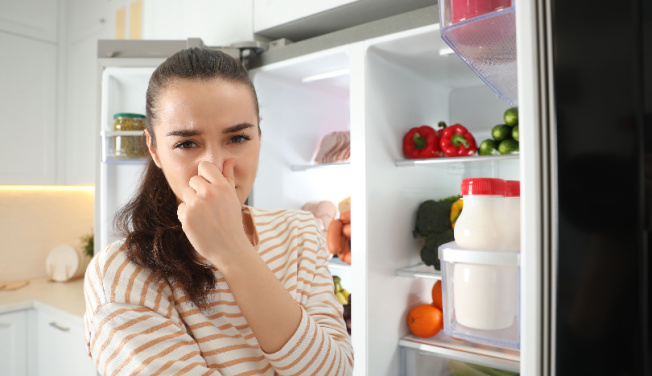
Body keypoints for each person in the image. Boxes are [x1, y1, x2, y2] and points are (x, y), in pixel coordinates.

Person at [83, 47, 354, 376]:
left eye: (238, 137)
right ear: (154, 149)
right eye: (186, 144)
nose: (215, 168)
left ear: (259, 136)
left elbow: (333, 371)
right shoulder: (121, 274)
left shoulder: (299, 232)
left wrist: (233, 252)